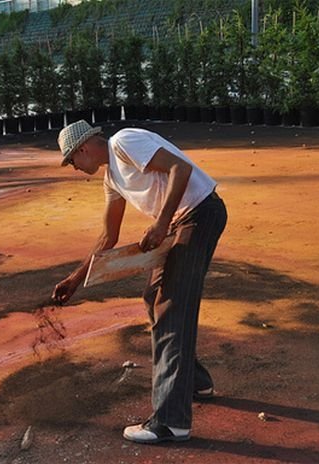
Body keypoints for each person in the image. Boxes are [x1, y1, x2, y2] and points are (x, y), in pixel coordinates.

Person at [52, 120, 227, 444]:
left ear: (83, 148)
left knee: (170, 306)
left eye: (72, 161)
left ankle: (170, 422)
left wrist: (161, 224)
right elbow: (108, 236)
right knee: (154, 298)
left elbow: (180, 169)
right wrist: (75, 280)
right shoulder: (112, 178)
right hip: (181, 222)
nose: (74, 167)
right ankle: (194, 381)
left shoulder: (124, 142)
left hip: (198, 214)